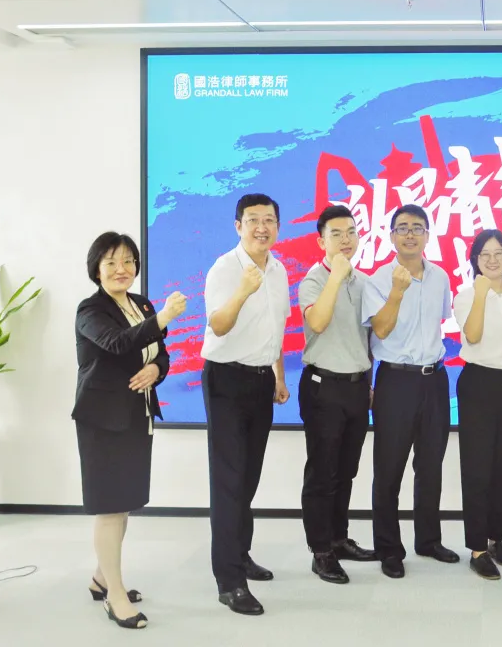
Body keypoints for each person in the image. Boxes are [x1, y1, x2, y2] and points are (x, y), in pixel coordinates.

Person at [74, 232, 186, 629]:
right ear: (97, 270)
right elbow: (119, 343)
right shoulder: (90, 310)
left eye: (128, 261)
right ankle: (114, 596)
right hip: (102, 420)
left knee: (124, 504)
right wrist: (164, 319)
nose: (121, 269)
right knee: (110, 507)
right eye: (111, 262)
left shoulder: (141, 304)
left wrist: (156, 369)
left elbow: (161, 354)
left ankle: (101, 578)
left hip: (137, 415)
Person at [200, 193, 291, 616]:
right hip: (226, 380)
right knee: (229, 481)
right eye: (253, 220)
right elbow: (218, 325)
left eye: (268, 220)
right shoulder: (225, 269)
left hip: (260, 380)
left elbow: (276, 328)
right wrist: (242, 291)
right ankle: (229, 581)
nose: (261, 227)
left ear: (278, 226)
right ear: (238, 226)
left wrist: (278, 376)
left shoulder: (279, 270)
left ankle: (240, 552)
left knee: (248, 477)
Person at [362, 204, 458, 579]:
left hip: (434, 379)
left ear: (428, 236)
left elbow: (440, 321)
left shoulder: (440, 277)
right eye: (402, 228)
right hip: (396, 380)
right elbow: (380, 330)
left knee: (430, 465)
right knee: (389, 468)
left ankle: (428, 540)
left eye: (417, 228)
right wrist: (397, 292)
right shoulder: (377, 279)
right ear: (391, 237)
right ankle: (389, 548)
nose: (410, 234)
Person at [298, 205, 378, 585]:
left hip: (357, 388)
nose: (346, 240)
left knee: (346, 470)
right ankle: (320, 551)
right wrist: (337, 276)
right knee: (322, 472)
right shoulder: (313, 280)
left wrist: (369, 382)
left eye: (351, 232)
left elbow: (368, 338)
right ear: (321, 242)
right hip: (323, 387)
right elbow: (317, 321)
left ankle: (338, 538)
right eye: (336, 234)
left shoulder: (364, 283)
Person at [453, 229, 502, 580]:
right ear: (475, 260)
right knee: (477, 469)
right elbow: (472, 335)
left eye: (498, 253)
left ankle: (496, 538)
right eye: (484, 254)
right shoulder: (466, 296)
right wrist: (482, 294)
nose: (492, 259)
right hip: (479, 384)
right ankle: (477, 548)